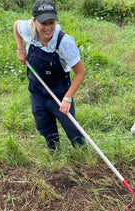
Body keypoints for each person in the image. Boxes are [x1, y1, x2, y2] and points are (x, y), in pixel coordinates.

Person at [13, 0, 86, 151]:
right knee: (44, 124)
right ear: (34, 21)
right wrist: (20, 50)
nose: (48, 28)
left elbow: (80, 73)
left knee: (72, 127)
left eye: (51, 22)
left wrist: (67, 98)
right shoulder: (28, 29)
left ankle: (82, 153)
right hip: (37, 89)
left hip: (60, 91)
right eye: (43, 23)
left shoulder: (64, 42)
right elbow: (15, 25)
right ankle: (54, 152)